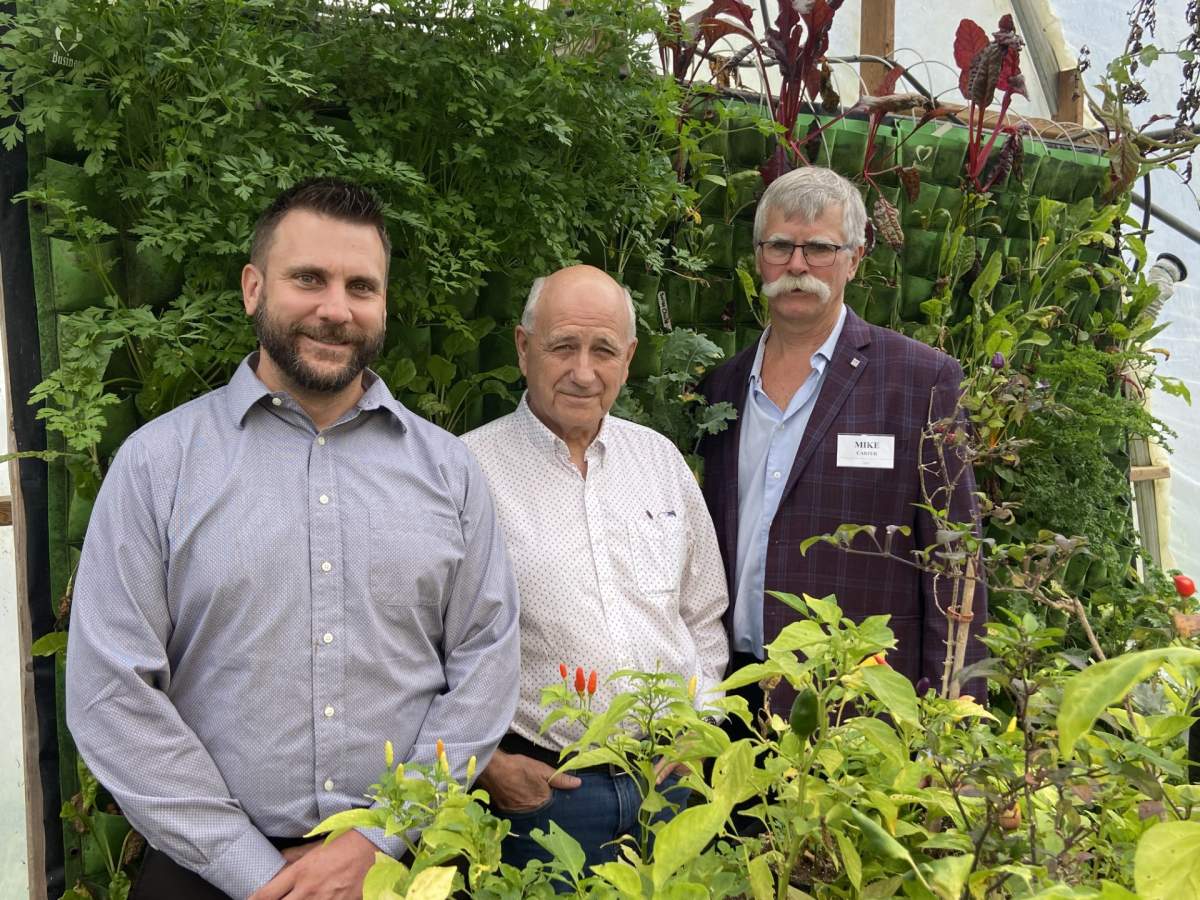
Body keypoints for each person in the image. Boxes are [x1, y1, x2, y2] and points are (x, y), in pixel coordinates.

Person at [65, 178, 521, 900]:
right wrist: (255, 871)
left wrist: (381, 836)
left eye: (360, 286)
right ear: (254, 288)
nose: (335, 309)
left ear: (383, 304)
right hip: (206, 876)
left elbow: (485, 663)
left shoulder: (449, 471)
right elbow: (109, 693)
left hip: (405, 869)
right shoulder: (158, 466)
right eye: (308, 278)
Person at [461, 264, 729, 872]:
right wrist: (488, 766)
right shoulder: (467, 470)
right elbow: (421, 643)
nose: (584, 372)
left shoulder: (661, 461)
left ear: (628, 358)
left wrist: (701, 725)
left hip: (671, 785)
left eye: (603, 350)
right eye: (563, 347)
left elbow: (704, 614)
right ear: (524, 347)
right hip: (543, 799)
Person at [699, 166, 987, 717]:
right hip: (731, 695)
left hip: (858, 699)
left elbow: (955, 556)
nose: (798, 264)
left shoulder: (919, 380)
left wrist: (954, 714)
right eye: (780, 245)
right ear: (759, 256)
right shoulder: (723, 388)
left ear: (855, 259)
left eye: (821, 248)